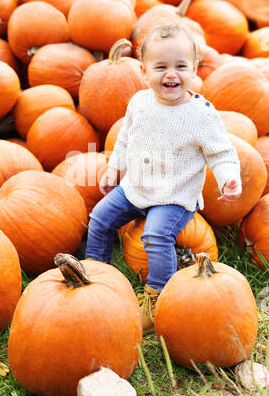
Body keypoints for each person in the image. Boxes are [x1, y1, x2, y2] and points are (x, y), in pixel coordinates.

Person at [85, 23, 242, 334]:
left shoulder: (201, 114)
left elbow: (221, 153)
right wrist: (114, 169)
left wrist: (229, 178)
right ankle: (94, 274)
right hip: (136, 188)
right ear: (144, 71)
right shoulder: (139, 104)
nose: (171, 74)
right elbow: (126, 140)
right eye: (161, 67)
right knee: (99, 218)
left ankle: (158, 298)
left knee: (156, 236)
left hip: (174, 196)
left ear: (194, 69)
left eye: (180, 66)